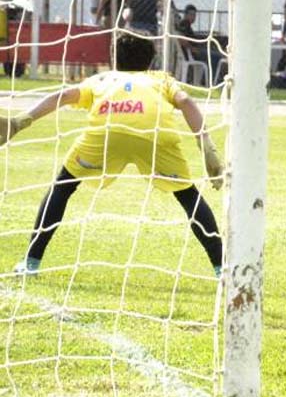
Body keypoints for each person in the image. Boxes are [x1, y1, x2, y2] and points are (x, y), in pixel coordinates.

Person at [1, 33, 225, 276]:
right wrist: (207, 146)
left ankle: (31, 263)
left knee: (63, 187)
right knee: (188, 196)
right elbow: (187, 101)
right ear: (150, 61)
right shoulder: (160, 79)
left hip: (106, 134)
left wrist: (21, 121)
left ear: (114, 59)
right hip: (154, 134)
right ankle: (221, 268)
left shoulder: (103, 79)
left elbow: (63, 96)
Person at [176, 4, 224, 84]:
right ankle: (210, 82)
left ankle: (207, 80)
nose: (193, 17)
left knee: (214, 52)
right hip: (193, 54)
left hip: (195, 51)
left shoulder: (187, 25)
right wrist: (192, 49)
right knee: (216, 57)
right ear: (186, 15)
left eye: (195, 15)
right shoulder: (184, 24)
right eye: (191, 15)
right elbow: (181, 39)